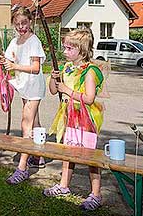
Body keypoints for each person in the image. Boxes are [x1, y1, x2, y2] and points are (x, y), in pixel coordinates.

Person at [43, 28, 104, 211]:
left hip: (86, 118)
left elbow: (89, 98)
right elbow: (54, 91)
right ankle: (64, 185)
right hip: (69, 115)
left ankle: (96, 194)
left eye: (69, 48)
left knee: (90, 157)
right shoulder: (67, 68)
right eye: (64, 47)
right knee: (68, 152)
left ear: (82, 50)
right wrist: (55, 79)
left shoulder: (90, 71)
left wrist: (67, 90)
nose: (65, 51)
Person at [0, 6, 46, 184]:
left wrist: (15, 66)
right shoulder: (15, 41)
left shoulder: (34, 41)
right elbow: (9, 59)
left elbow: (35, 68)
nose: (21, 27)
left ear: (30, 21)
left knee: (26, 122)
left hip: (33, 86)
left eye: (24, 23)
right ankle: (38, 156)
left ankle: (22, 167)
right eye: (17, 24)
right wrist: (4, 61)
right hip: (24, 85)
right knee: (34, 122)